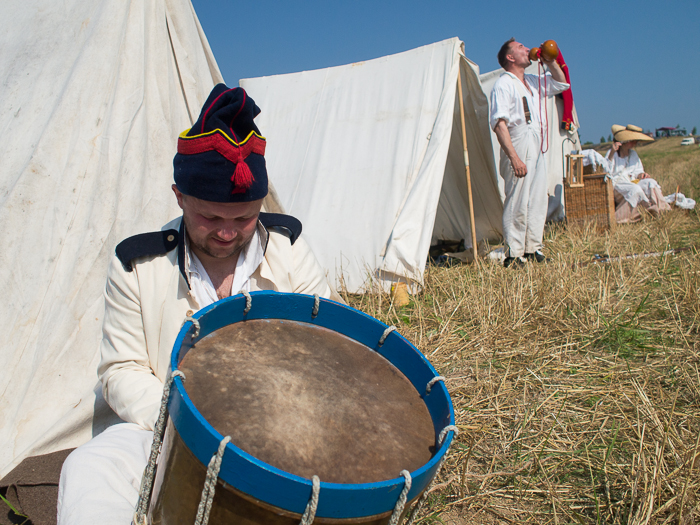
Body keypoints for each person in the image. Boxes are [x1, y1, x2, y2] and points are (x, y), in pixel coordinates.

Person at [57, 84, 336, 524]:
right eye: (210, 217)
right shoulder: (138, 265)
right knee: (90, 468)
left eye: (244, 218)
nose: (227, 232)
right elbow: (122, 369)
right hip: (172, 425)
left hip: (280, 426)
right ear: (180, 197)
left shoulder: (289, 250)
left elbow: (327, 348)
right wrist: (188, 420)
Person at [490, 38, 570, 267]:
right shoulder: (504, 84)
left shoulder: (533, 81)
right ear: (510, 57)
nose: (527, 49)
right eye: (520, 47)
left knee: (537, 197)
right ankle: (514, 253)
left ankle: (533, 248)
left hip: (536, 140)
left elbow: (562, 84)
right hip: (518, 140)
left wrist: (550, 61)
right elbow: (499, 124)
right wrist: (514, 157)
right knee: (518, 198)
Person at [606, 124, 671, 223]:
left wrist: (641, 175)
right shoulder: (612, 154)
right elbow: (606, 171)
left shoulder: (633, 154)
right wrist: (611, 153)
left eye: (635, 141)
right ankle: (620, 219)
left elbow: (638, 171)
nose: (634, 143)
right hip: (617, 185)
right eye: (632, 140)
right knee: (635, 189)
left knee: (651, 183)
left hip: (632, 181)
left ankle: (662, 210)